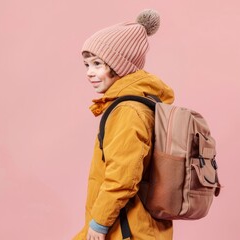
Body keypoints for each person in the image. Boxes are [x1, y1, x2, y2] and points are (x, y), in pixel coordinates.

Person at [74, 10, 175, 240]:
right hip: (140, 226)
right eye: (87, 64)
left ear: (119, 65)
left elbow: (123, 176)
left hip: (125, 229)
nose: (90, 73)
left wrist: (99, 223)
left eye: (98, 64)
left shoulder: (128, 111)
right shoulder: (144, 103)